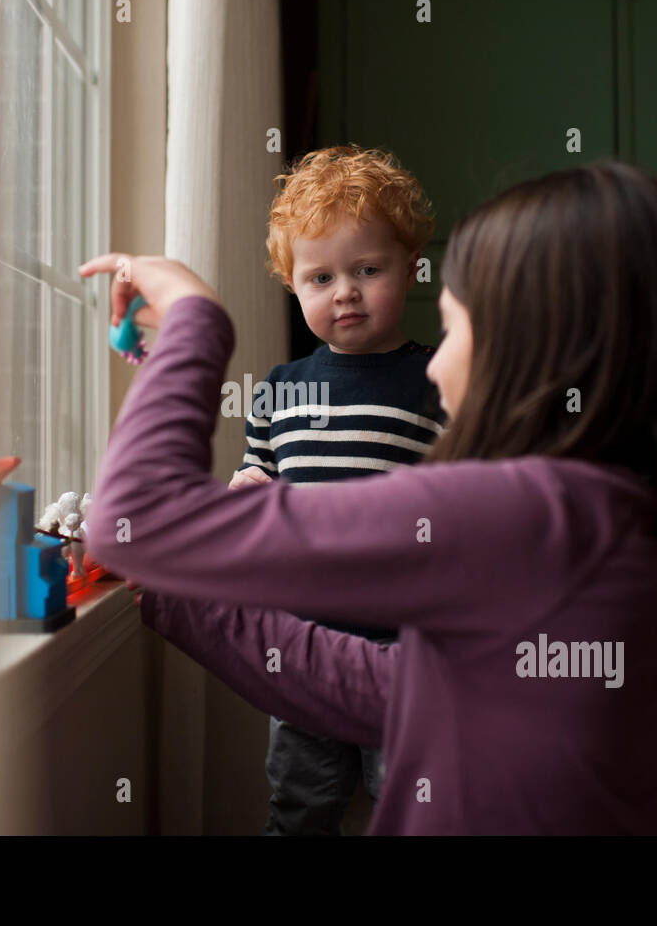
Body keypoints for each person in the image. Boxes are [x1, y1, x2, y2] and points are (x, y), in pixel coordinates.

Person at [79, 160, 657, 835]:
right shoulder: (642, 516)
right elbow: (404, 693)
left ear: (532, 339)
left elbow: (135, 518)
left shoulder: (524, 511)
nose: (437, 362)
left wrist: (195, 319)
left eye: (453, 328)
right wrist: (186, 602)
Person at [230, 145, 444, 835]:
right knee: (300, 802)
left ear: (409, 269)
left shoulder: (440, 381)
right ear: (292, 284)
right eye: (320, 276)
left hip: (404, 647)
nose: (344, 291)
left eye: (367, 269)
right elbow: (255, 484)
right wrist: (245, 492)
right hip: (303, 647)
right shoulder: (280, 391)